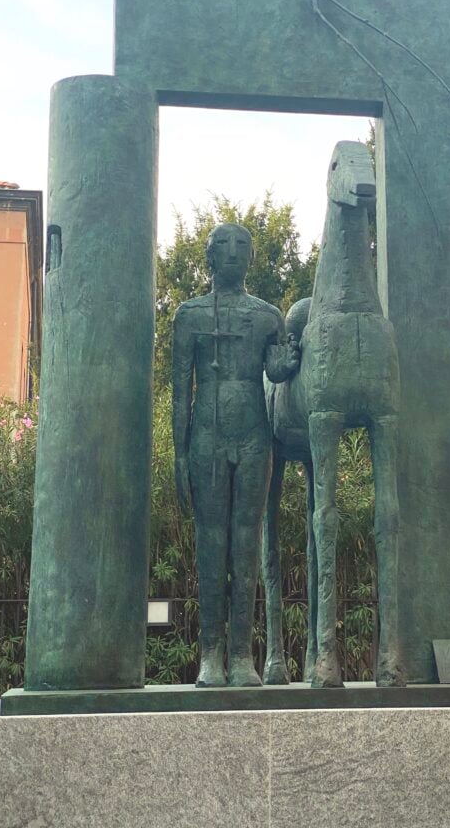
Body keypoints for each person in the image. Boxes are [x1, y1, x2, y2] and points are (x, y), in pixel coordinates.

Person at [172, 223, 299, 686]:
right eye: (223, 246)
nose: (233, 253)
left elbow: (277, 371)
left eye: (242, 245)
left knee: (247, 542)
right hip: (205, 432)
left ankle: (243, 655)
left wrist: (287, 365)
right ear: (209, 256)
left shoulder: (268, 316)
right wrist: (179, 454)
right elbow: (177, 390)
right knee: (211, 543)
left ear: (251, 257)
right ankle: (211, 655)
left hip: (252, 434)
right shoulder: (188, 315)